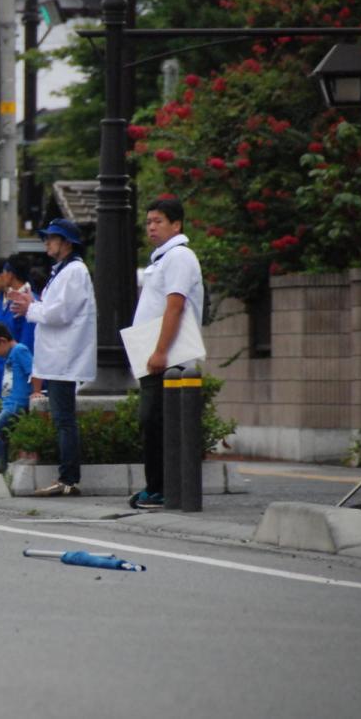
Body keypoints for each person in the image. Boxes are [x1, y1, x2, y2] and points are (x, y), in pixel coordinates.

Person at [127, 196, 204, 509]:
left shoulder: (179, 257)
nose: (151, 227)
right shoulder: (162, 258)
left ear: (176, 225)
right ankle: (157, 487)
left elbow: (175, 305)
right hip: (156, 358)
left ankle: (160, 489)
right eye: (148, 222)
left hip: (169, 360)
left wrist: (160, 351)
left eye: (158, 221)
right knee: (153, 423)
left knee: (158, 422)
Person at [10, 218, 96, 496]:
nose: (47, 243)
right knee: (63, 419)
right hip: (59, 356)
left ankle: (68, 479)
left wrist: (31, 308)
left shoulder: (74, 271)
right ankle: (67, 478)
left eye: (52, 238)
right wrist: (33, 306)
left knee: (64, 420)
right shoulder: (64, 271)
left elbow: (60, 313)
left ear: (67, 243)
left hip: (64, 356)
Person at [0, 322, 33, 475]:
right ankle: (3, 464)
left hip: (16, 404)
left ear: (2, 341)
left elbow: (32, 371)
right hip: (9, 403)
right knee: (4, 434)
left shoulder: (20, 350)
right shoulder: (11, 355)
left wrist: (35, 391)